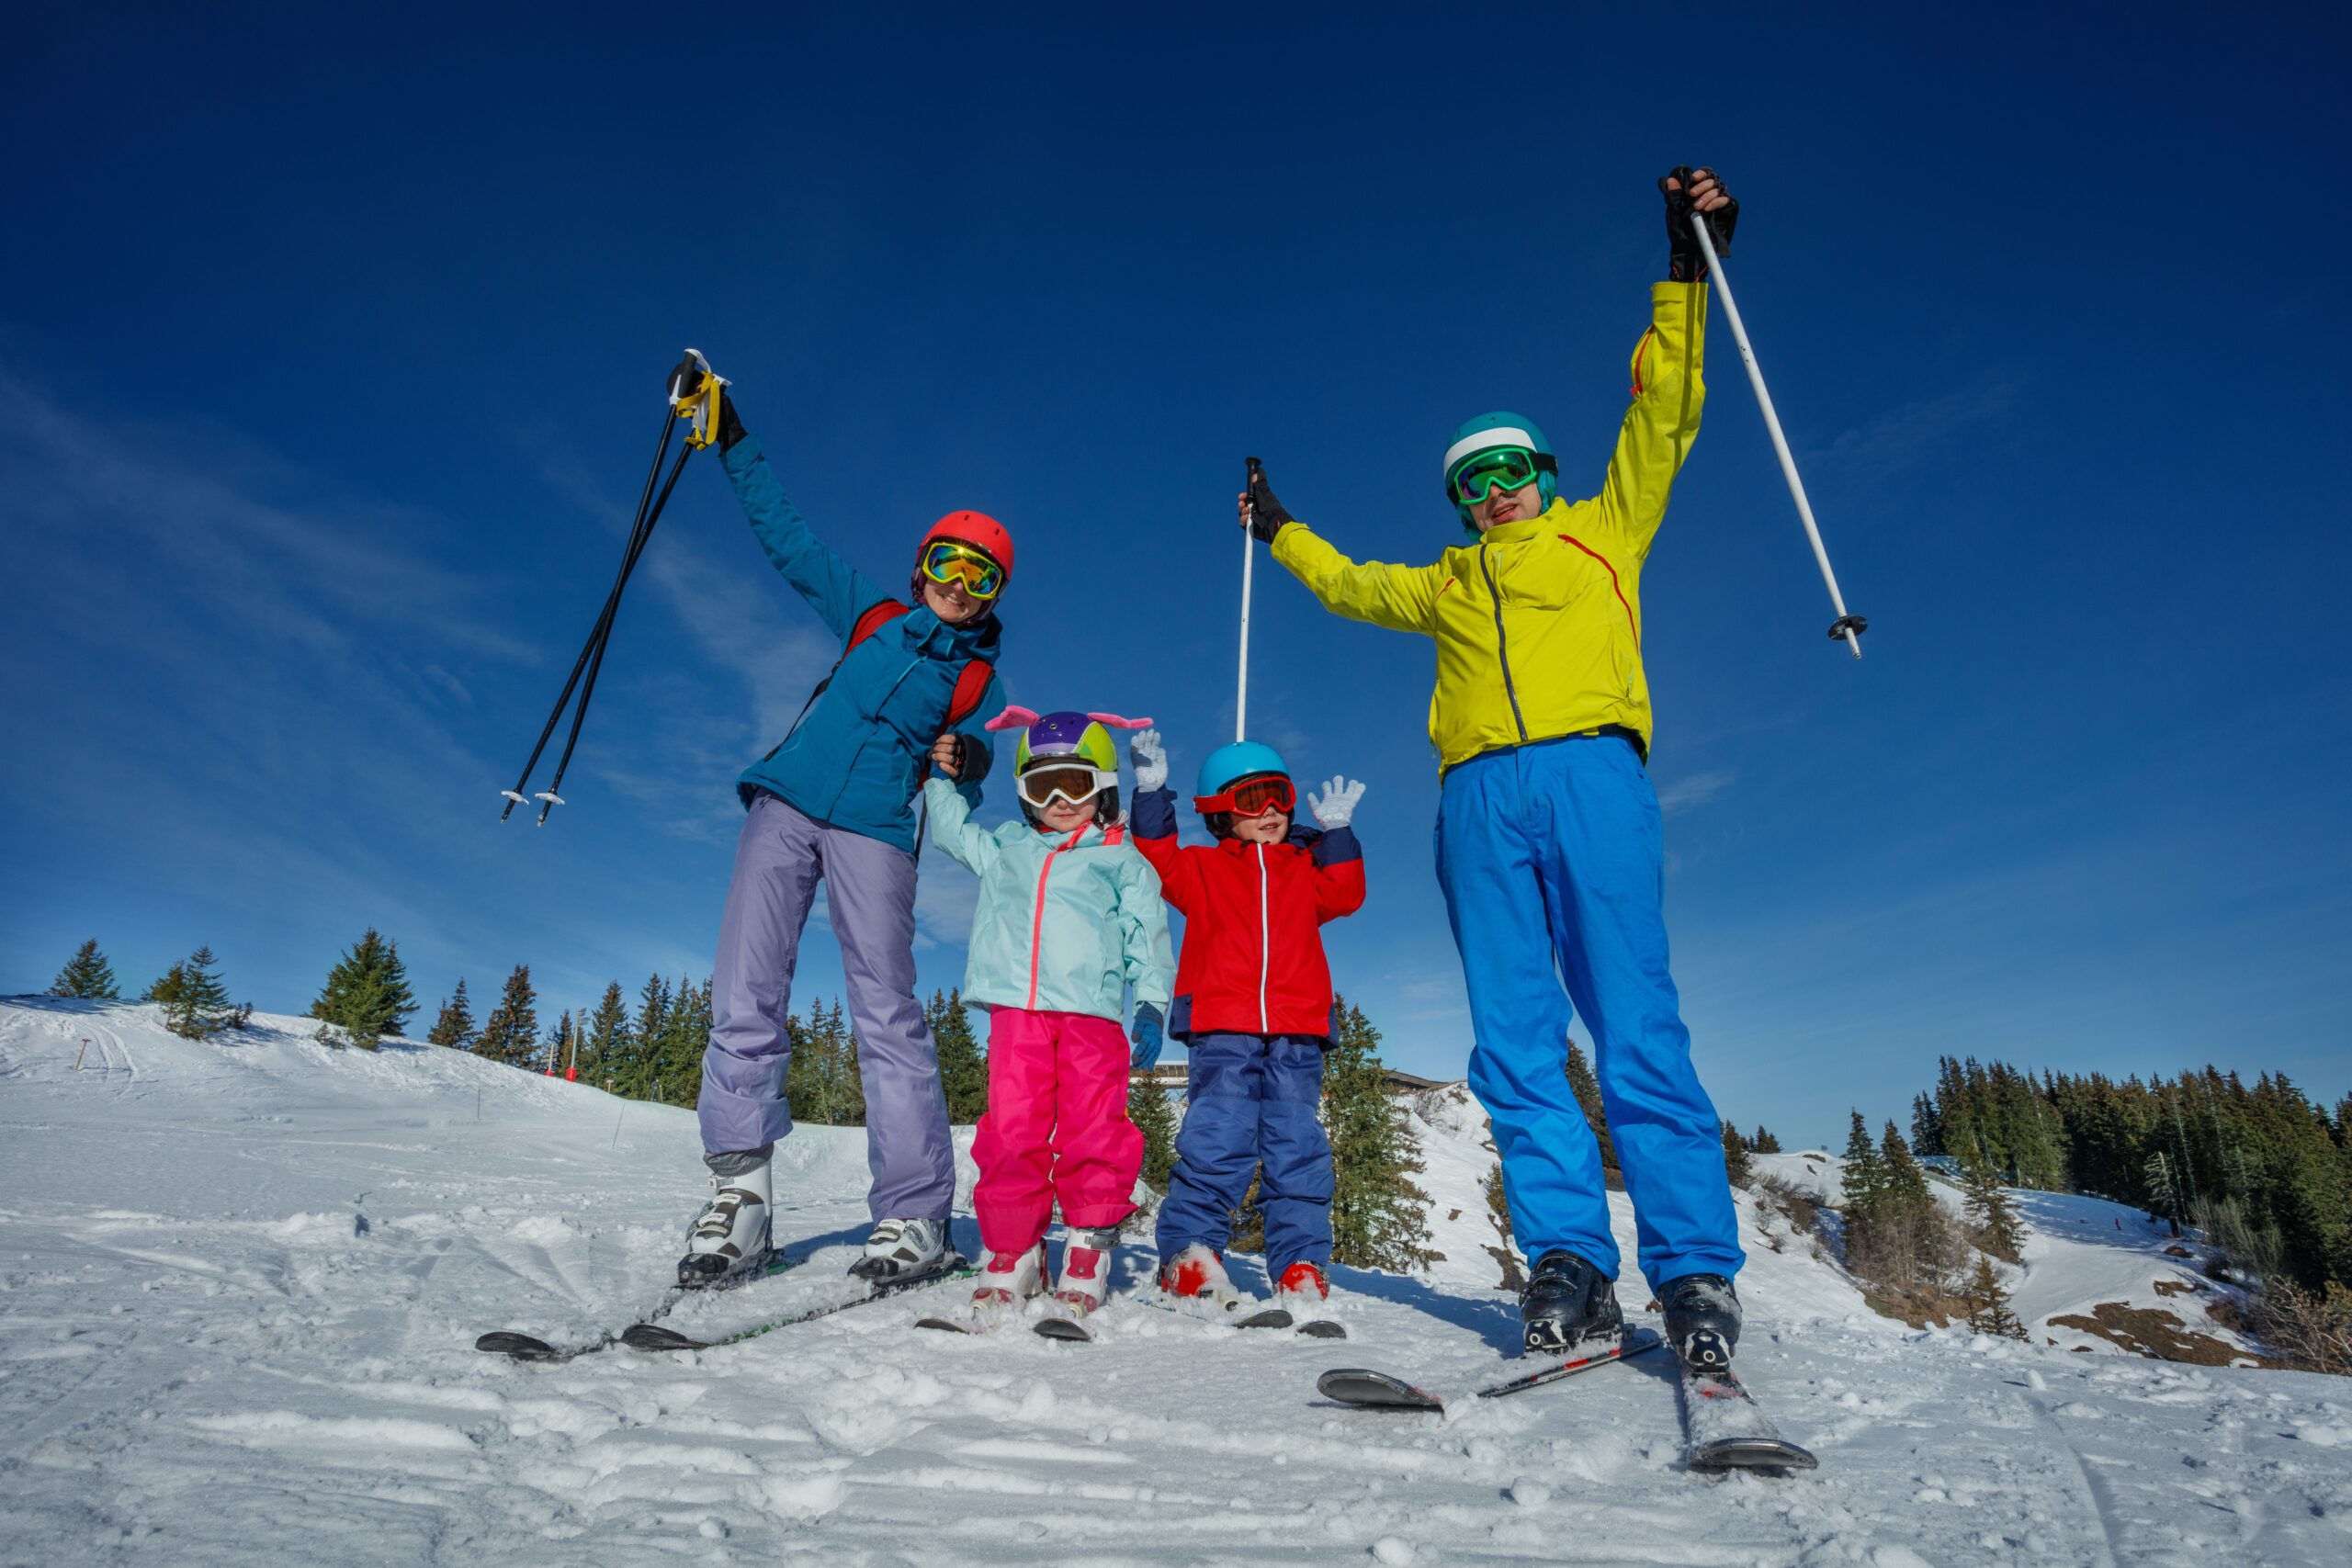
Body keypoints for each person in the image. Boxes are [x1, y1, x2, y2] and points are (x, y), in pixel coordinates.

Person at [1240, 167, 1750, 1373]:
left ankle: (1692, 1265)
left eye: (1509, 467)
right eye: (1471, 482)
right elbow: (1355, 582)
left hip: (1591, 773)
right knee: (1514, 1033)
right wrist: (1281, 530)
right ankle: (1568, 1254)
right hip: (1476, 795)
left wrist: (1687, 271)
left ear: (1545, 468)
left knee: (1633, 1014)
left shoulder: (1603, 529)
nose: (1492, 490)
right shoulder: (1448, 582)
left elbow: (1663, 416)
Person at [674, 371, 1008, 1291]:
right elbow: (789, 539)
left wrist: (972, 760)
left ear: (990, 598)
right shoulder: (871, 616)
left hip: (872, 830)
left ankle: (912, 1216)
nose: (959, 585)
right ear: (920, 569)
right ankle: (739, 1200)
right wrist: (731, 436)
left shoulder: (980, 682)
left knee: (887, 1013)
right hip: (785, 803)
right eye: (948, 563)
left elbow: (985, 754)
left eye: (980, 577)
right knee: (745, 991)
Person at [919, 708, 1176, 1329]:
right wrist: (940, 780)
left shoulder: (1120, 857)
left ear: (1103, 786)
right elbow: (954, 833)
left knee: (1095, 1128)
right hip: (1018, 1014)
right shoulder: (1009, 846)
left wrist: (1150, 1002)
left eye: (1077, 784)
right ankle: (1014, 1248)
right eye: (1042, 787)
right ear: (1024, 793)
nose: (1061, 800)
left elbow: (1150, 933)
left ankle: (1087, 1246)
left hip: (1091, 1015)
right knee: (1012, 1128)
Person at [1126, 732, 1365, 1328]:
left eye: (1278, 797)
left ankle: (1299, 1265)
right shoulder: (1202, 868)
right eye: (1252, 798)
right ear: (1219, 810)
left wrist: (1335, 833)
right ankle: (1191, 1255)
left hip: (1296, 1031)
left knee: (1296, 1146)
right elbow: (1155, 857)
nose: (1270, 813)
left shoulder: (1305, 871)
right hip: (1223, 1026)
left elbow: (1348, 892)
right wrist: (1152, 793)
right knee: (1219, 1139)